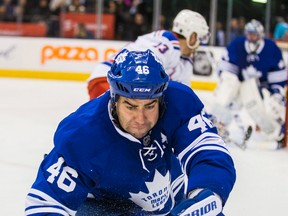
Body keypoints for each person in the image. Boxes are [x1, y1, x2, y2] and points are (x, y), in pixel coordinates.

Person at [25, 49, 236, 215]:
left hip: (170, 192)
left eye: (150, 106)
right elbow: (45, 204)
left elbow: (207, 149)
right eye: (131, 106)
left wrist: (206, 192)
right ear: (114, 99)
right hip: (105, 208)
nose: (141, 119)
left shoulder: (178, 103)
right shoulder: (82, 135)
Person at [87, 9, 210, 99]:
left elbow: (184, 98)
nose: (200, 44)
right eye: (200, 38)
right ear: (192, 36)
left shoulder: (184, 60)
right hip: (108, 80)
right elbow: (140, 72)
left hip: (114, 80)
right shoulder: (167, 43)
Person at [212, 19, 287, 149]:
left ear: (260, 35)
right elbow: (225, 72)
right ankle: (217, 126)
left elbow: (277, 76)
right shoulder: (237, 45)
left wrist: (276, 94)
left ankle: (277, 133)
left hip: (260, 88)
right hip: (238, 85)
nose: (251, 37)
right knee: (228, 88)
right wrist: (230, 86)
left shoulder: (271, 48)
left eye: (254, 34)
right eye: (249, 34)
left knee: (268, 107)